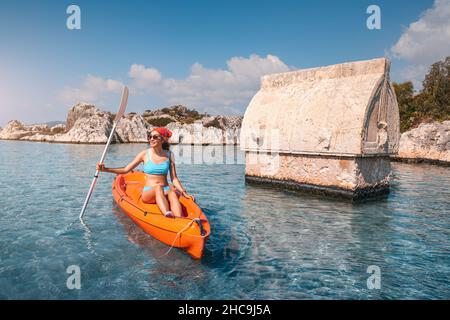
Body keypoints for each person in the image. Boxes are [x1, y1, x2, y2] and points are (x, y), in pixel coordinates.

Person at [96, 127, 194, 218]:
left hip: (166, 190)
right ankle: (167, 215)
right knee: (158, 188)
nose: (151, 139)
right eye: (150, 137)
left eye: (155, 137)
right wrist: (105, 169)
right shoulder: (144, 154)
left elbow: (174, 178)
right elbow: (126, 170)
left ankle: (179, 220)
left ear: (163, 139)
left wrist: (184, 193)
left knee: (172, 192)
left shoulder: (169, 155)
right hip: (149, 193)